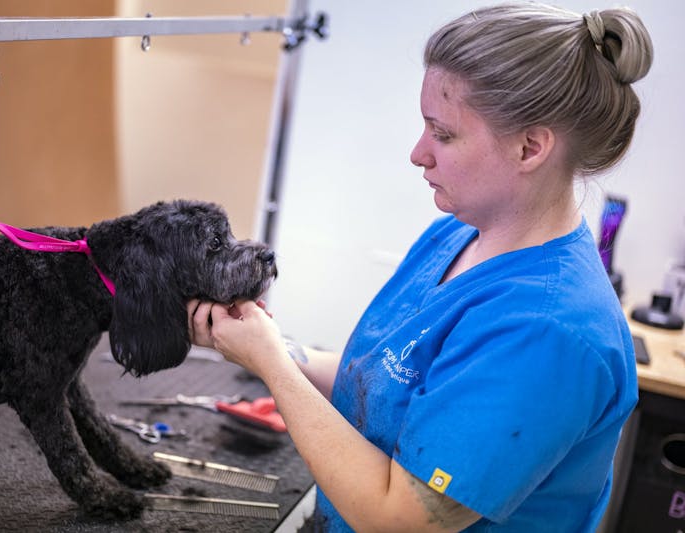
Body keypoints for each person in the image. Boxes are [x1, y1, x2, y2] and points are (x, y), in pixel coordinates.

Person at [188, 2, 653, 531]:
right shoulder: (460, 234)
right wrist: (275, 348)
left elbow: (400, 519)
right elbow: (392, 377)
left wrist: (270, 364)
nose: (418, 153)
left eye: (444, 133)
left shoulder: (547, 332)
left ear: (530, 147)